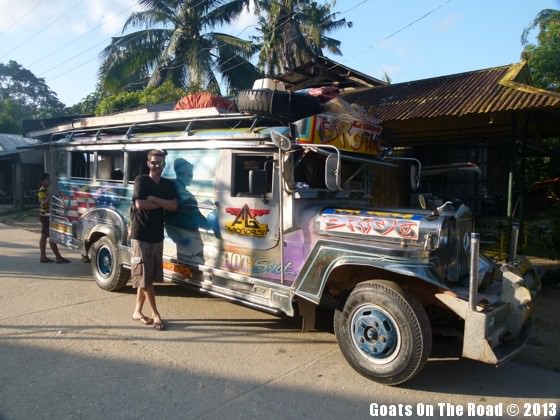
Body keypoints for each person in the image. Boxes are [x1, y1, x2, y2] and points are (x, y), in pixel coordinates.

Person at [130, 149, 177, 331]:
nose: (157, 166)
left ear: (164, 164)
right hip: (140, 235)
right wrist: (161, 203)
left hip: (157, 235)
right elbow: (140, 204)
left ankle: (137, 312)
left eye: (160, 163)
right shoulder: (141, 180)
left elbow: (173, 206)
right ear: (148, 163)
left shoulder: (167, 184)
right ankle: (156, 315)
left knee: (147, 276)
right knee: (146, 277)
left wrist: (154, 199)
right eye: (153, 162)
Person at [37, 173, 71, 264]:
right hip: (46, 216)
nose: (49, 182)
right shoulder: (42, 191)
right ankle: (58, 257)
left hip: (44, 215)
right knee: (52, 236)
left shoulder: (45, 190)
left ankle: (43, 256)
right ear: (42, 181)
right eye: (47, 180)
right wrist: (49, 197)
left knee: (44, 236)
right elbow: (42, 203)